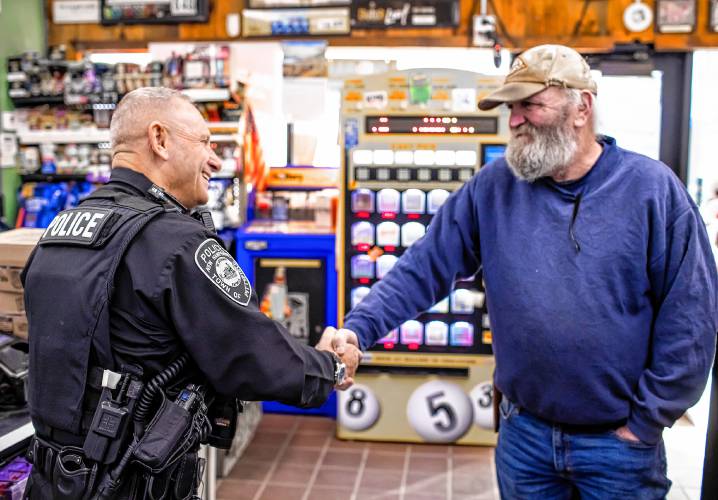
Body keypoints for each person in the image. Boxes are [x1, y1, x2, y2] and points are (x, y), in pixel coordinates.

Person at [330, 44, 718, 499]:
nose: (513, 120)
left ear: (582, 107)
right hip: (524, 436)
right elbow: (423, 267)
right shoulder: (494, 188)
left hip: (619, 446)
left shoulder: (652, 191)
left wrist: (647, 420)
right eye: (511, 107)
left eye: (529, 105)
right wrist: (358, 330)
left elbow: (691, 318)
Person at [21, 87, 362, 499]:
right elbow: (252, 357)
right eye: (203, 142)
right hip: (130, 483)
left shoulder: (61, 229)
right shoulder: (177, 242)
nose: (215, 159)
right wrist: (332, 368)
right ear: (159, 139)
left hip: (50, 478)